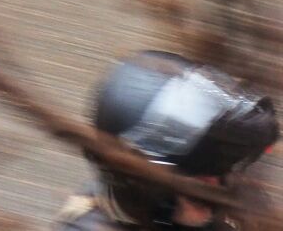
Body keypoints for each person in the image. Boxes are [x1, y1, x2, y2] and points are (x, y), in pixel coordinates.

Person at [55, 51, 276, 230]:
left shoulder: (236, 202)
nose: (215, 186)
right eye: (197, 175)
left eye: (220, 172)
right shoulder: (90, 224)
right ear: (137, 178)